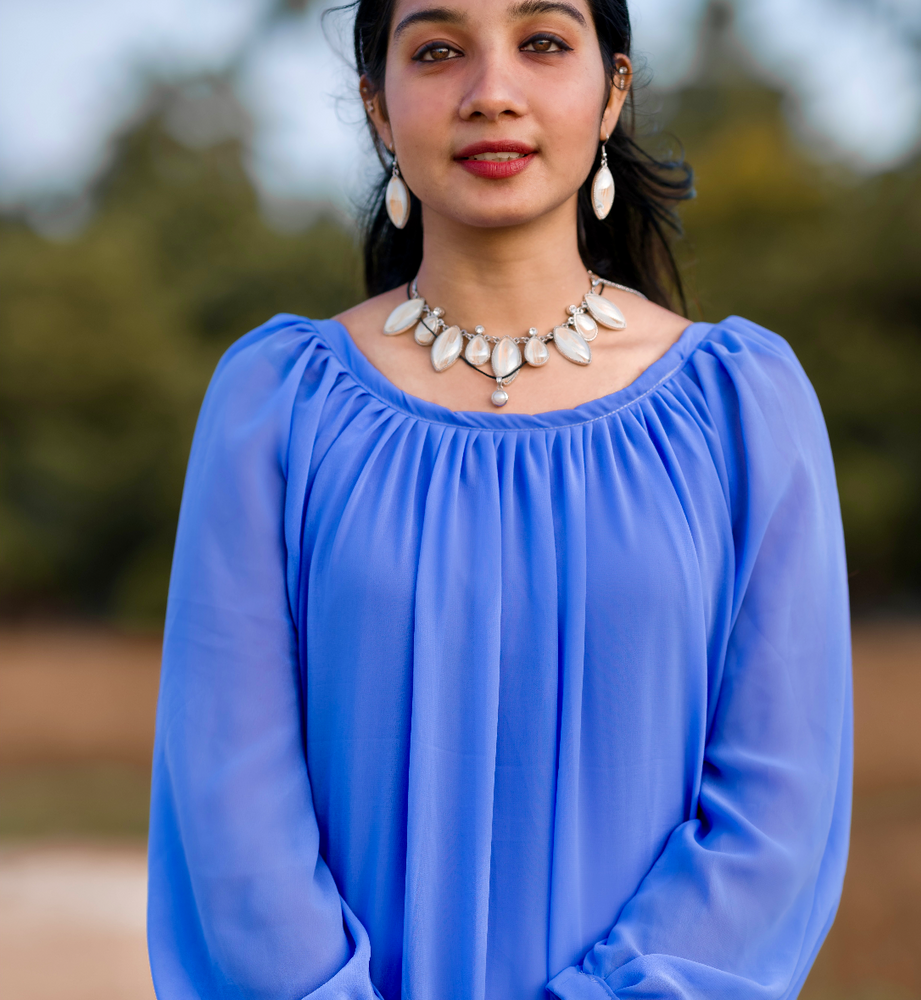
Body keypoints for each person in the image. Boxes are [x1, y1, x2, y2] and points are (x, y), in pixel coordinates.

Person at [147, 1, 853, 998]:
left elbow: (777, 804)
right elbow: (232, 804)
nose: (491, 93)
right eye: (436, 52)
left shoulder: (742, 404)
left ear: (612, 90)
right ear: (378, 110)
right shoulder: (275, 406)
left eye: (543, 43)